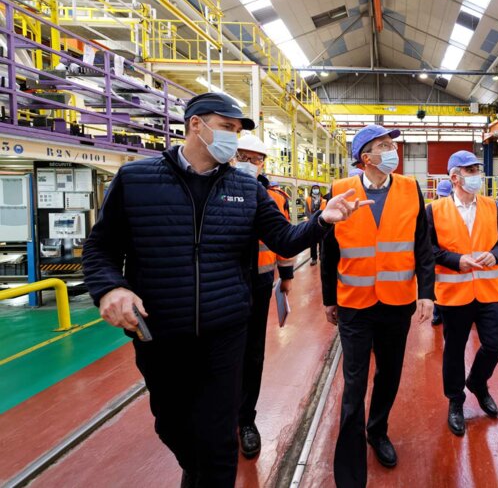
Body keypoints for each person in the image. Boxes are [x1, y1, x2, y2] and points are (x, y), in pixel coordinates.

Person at [82, 92, 370, 488]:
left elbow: (284, 240)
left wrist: (323, 219)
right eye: (227, 128)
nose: (234, 140)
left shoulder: (245, 189)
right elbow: (100, 249)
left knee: (219, 444)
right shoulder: (136, 180)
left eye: (237, 131)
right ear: (195, 125)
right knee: (173, 426)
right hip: (161, 333)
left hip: (226, 331)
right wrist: (110, 288)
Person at [320, 124, 435, 488]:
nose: (393, 151)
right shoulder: (339, 191)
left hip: (397, 302)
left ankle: (378, 430)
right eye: (384, 146)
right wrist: (328, 298)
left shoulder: (410, 189)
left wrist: (427, 293)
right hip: (354, 304)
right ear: (364, 158)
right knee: (354, 384)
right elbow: (329, 251)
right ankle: (350, 469)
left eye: (393, 145)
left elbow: (422, 246)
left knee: (389, 375)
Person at [426, 150, 498, 437]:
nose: (477, 174)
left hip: (488, 291)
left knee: (497, 342)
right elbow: (430, 250)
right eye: (471, 169)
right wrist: (456, 261)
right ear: (454, 177)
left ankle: (477, 382)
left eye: (477, 169)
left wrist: (494, 254)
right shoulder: (435, 210)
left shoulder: (490, 206)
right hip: (454, 294)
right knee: (453, 351)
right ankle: (455, 401)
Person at [232, 134, 295, 459]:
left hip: (258, 282)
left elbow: (283, 238)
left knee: (253, 354)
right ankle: (220, 416)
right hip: (222, 285)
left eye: (256, 158)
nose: (249, 163)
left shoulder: (273, 196)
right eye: (243, 155)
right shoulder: (216, 191)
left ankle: (246, 420)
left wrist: (286, 277)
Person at [430, 179, 454, 327]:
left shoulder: (456, 210)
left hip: (452, 254)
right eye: (441, 196)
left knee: (450, 288)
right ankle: (437, 314)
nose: (442, 199)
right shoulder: (431, 209)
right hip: (437, 255)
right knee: (437, 286)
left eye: (445, 196)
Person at [306, 184, 323, 265]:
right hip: (312, 222)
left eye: (317, 188)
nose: (315, 190)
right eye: (314, 188)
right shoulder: (308, 199)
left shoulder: (322, 199)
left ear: (319, 190)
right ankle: (314, 258)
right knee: (312, 241)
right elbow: (306, 211)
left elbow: (324, 209)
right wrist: (312, 218)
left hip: (321, 221)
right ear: (311, 190)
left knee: (321, 241)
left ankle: (321, 256)